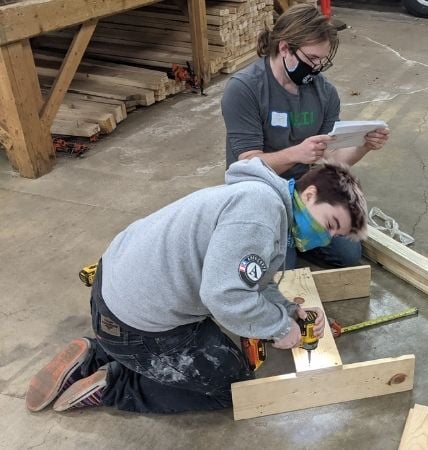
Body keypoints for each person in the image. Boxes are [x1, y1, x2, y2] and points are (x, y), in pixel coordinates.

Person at [25, 158, 367, 413]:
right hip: (135, 323)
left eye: (336, 233)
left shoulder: (262, 199)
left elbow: (252, 281)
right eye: (331, 223)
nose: (328, 236)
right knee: (231, 388)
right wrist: (279, 328)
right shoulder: (261, 214)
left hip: (114, 293)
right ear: (309, 194)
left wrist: (289, 311)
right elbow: (225, 295)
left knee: (222, 338)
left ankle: (97, 350)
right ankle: (116, 384)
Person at [221, 4, 389, 269]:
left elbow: (333, 158)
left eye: (322, 61)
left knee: (347, 256)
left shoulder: (324, 93)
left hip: (302, 190)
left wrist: (364, 146)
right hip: (257, 191)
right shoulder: (244, 89)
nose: (316, 68)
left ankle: (291, 234)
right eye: (311, 59)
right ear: (285, 48)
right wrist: (296, 154)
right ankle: (279, 237)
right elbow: (247, 163)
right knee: (279, 270)